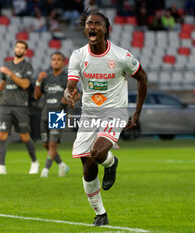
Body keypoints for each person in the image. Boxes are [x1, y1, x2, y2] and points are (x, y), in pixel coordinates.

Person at [64, 11, 148, 226]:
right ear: (85, 30)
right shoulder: (78, 55)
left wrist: (137, 111)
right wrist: (68, 93)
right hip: (89, 114)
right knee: (88, 166)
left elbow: (142, 77)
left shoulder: (121, 56)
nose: (92, 26)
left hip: (115, 111)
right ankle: (101, 213)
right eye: (89, 23)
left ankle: (111, 163)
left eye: (97, 24)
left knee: (97, 152)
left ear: (105, 29)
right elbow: (71, 84)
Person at [0, 40, 39, 175]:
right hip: (5, 104)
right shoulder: (8, 65)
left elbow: (25, 85)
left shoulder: (26, 66)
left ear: (25, 51)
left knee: (24, 136)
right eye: (17, 47)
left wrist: (11, 73)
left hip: (20, 105)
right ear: (15, 49)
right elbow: (4, 82)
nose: (19, 49)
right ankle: (1, 167)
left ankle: (34, 162)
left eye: (22, 48)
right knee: (1, 134)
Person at [34, 52, 74, 178]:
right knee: (46, 145)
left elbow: (77, 94)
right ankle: (62, 165)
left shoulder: (67, 79)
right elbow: (37, 96)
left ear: (63, 63)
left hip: (58, 114)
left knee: (52, 144)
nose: (56, 61)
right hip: (45, 114)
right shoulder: (46, 78)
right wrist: (38, 82)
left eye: (58, 59)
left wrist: (68, 98)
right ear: (51, 62)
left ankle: (45, 170)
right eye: (53, 59)